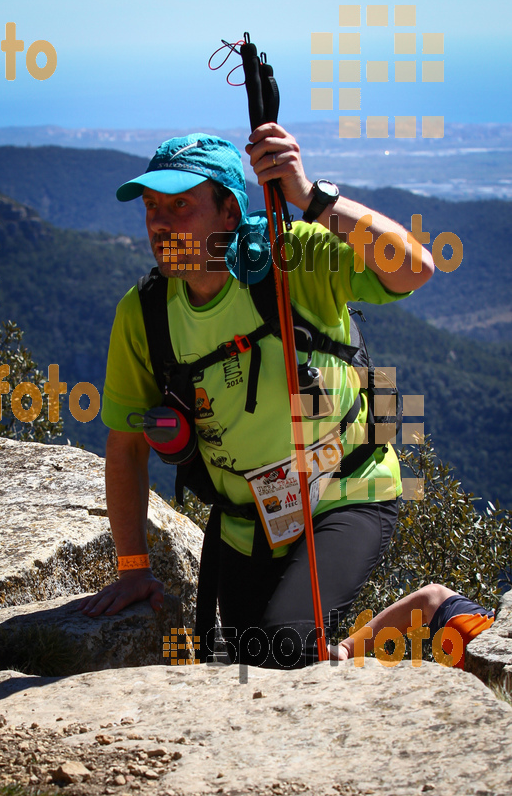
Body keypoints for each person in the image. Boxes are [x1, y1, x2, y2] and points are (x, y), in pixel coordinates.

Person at [78, 123, 434, 668]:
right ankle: (355, 659)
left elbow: (415, 268)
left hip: (347, 488)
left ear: (229, 213)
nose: (159, 222)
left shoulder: (295, 258)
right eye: (151, 206)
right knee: (250, 669)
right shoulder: (145, 314)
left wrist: (312, 199)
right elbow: (126, 446)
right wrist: (132, 567)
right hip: (251, 519)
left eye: (179, 205)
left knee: (284, 649)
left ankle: (430, 609)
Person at [328, 583, 495, 669]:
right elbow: (430, 597)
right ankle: (346, 650)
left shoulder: (469, 632)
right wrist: (347, 649)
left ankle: (346, 650)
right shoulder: (468, 631)